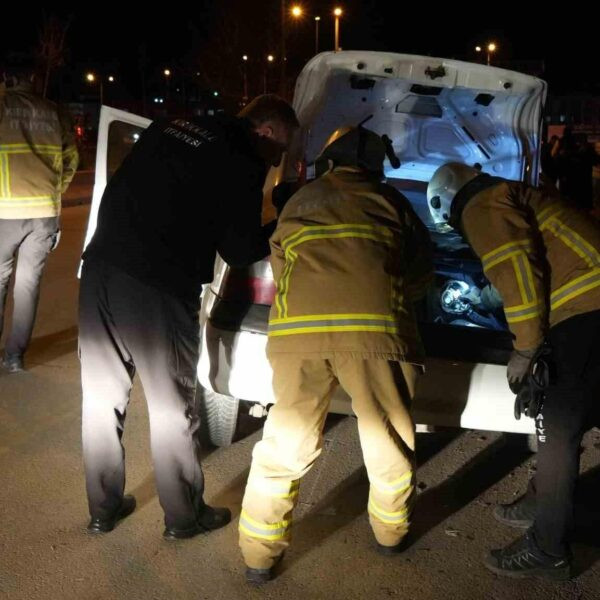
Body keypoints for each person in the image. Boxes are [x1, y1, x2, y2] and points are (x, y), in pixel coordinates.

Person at [79, 95, 298, 539]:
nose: (279, 159)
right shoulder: (242, 157)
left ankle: (103, 509)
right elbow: (239, 251)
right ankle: (184, 516)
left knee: (101, 400)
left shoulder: (171, 127)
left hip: (99, 270)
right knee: (170, 406)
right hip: (157, 288)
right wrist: (283, 219)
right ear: (268, 131)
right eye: (282, 148)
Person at [239, 126, 433, 584]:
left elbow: (282, 266)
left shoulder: (300, 202)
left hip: (295, 337)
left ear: (329, 161)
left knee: (286, 441)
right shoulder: (394, 203)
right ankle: (390, 535)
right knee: (387, 439)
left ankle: (258, 557)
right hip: (374, 334)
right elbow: (421, 272)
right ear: (375, 168)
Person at [427, 162, 600, 580]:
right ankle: (542, 501)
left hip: (584, 312)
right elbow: (525, 261)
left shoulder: (478, 205)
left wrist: (526, 348)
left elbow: (517, 269)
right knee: (563, 420)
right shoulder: (507, 193)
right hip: (589, 305)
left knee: (557, 431)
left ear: (447, 207)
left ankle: (548, 550)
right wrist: (486, 298)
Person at [0, 53, 78, 372]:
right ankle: (15, 357)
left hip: (4, 211)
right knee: (28, 285)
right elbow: (71, 159)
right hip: (44, 213)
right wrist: (53, 194)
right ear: (32, 80)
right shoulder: (54, 112)